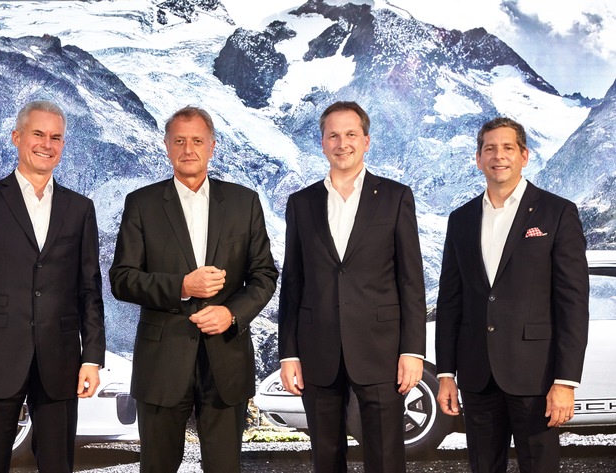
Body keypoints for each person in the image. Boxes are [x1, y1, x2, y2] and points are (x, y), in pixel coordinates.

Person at [0, 100, 106, 472]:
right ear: (16, 137)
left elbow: (89, 291)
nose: (47, 144)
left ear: (63, 145)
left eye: (56, 137)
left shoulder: (80, 209)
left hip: (60, 362)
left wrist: (91, 358)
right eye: (38, 134)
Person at [109, 106, 278, 473]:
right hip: (161, 364)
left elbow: (264, 274)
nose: (188, 149)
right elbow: (122, 278)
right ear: (167, 146)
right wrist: (181, 286)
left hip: (226, 362)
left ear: (212, 146)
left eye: (197, 141)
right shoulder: (142, 204)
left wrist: (231, 313)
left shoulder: (244, 202)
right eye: (179, 141)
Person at [278, 101, 427, 473]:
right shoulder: (301, 203)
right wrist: (289, 354)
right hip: (317, 350)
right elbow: (293, 283)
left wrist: (412, 350)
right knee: (326, 457)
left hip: (381, 349)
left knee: (386, 456)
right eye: (333, 136)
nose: (341, 143)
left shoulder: (395, 197)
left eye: (350, 134)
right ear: (322, 143)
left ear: (366, 141)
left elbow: (411, 280)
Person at [435, 117, 589, 473]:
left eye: (507, 147)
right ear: (478, 159)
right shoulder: (461, 219)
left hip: (536, 375)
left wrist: (565, 381)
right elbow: (450, 301)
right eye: (489, 148)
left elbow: (572, 303)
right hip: (477, 374)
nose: (498, 156)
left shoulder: (557, 212)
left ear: (524, 156)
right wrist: (445, 373)